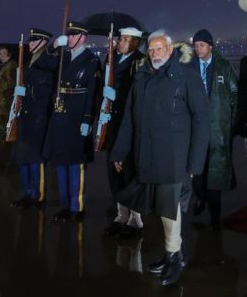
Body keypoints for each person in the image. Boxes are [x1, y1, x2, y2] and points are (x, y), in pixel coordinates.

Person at [110, 29, 210, 286]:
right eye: (151, 50)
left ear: (170, 50)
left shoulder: (185, 76)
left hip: (174, 156)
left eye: (159, 49)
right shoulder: (141, 78)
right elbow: (129, 120)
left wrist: (195, 162)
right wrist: (120, 151)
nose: (155, 54)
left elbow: (202, 120)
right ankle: (173, 254)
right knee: (160, 207)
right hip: (148, 154)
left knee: (169, 209)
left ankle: (174, 258)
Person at [42, 21, 101, 223]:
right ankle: (64, 205)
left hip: (77, 117)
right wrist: (53, 46)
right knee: (61, 162)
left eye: (74, 35)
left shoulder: (91, 60)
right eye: (69, 35)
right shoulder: (63, 57)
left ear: (83, 38)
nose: (70, 39)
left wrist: (87, 118)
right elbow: (41, 62)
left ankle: (77, 207)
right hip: (60, 116)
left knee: (76, 164)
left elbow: (93, 92)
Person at [99, 27, 145, 238]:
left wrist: (116, 95)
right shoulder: (111, 59)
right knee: (113, 173)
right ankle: (121, 215)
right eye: (120, 38)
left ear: (136, 42)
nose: (121, 42)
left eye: (126, 39)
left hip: (129, 125)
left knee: (129, 172)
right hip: (111, 124)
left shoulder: (140, 62)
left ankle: (135, 219)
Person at [191, 29, 238, 230]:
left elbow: (235, 97)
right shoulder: (189, 68)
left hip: (218, 129)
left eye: (201, 44)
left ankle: (215, 218)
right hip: (196, 129)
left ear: (211, 46)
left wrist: (231, 127)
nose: (198, 48)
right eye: (195, 45)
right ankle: (200, 197)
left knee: (215, 177)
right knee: (196, 172)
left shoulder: (223, 67)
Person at [10, 29, 55, 208]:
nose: (30, 44)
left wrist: (26, 90)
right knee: (23, 158)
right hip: (25, 116)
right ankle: (27, 193)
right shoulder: (30, 60)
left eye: (33, 41)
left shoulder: (47, 58)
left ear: (42, 42)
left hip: (38, 116)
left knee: (36, 159)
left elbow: (45, 87)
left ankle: (38, 195)